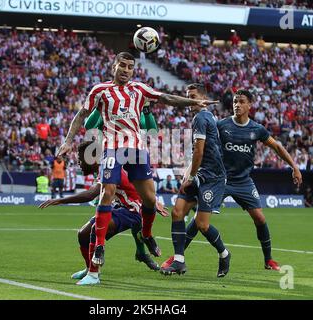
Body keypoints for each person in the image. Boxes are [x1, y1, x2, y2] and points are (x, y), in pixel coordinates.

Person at [56, 52, 216, 268]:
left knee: (149, 200)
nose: (125, 70)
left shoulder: (139, 89)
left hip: (136, 151)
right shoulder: (100, 90)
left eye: (130, 67)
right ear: (114, 66)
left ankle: (147, 235)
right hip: (112, 149)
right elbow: (81, 115)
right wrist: (68, 141)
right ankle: (100, 246)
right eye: (122, 65)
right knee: (108, 191)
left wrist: (193, 101)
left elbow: (167, 98)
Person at [162, 88, 303, 271]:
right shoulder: (221, 125)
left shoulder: (256, 129)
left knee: (260, 218)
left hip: (243, 181)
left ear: (249, 105)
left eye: (241, 101)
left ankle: (268, 260)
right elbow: (201, 151)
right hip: (220, 179)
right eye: (235, 101)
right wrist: (190, 174)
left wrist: (294, 166)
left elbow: (276, 147)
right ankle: (178, 257)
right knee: (199, 221)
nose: (237, 104)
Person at [39, 141, 168, 285]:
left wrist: (60, 200)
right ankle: (90, 269)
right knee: (82, 234)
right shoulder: (105, 167)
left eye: (81, 159)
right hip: (121, 208)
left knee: (96, 229)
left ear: (93, 157)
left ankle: (94, 275)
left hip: (133, 211)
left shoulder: (108, 167)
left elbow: (91, 194)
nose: (79, 163)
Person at [160, 83, 231, 277]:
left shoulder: (201, 117)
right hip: (201, 174)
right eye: (188, 96)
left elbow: (200, 150)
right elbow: (198, 151)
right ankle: (179, 261)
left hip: (212, 178)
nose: (189, 100)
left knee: (202, 224)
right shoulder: (205, 117)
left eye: (193, 96)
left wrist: (190, 176)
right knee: (177, 212)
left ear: (202, 98)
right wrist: (190, 171)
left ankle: (224, 254)